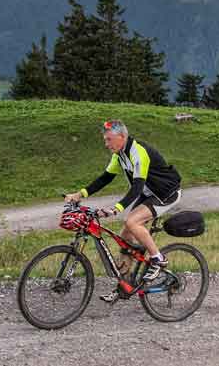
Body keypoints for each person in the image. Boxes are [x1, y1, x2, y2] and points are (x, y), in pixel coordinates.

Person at [64, 119, 182, 302]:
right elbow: (106, 178)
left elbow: (136, 187)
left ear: (122, 137)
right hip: (149, 193)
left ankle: (158, 259)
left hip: (166, 193)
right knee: (126, 234)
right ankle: (124, 285)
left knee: (132, 222)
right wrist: (80, 194)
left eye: (109, 139)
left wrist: (116, 208)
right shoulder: (119, 154)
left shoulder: (138, 152)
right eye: (105, 140)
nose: (106, 144)